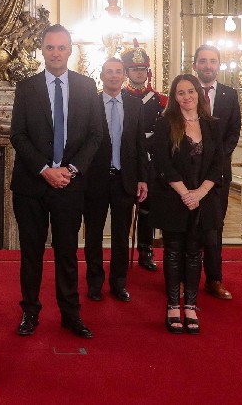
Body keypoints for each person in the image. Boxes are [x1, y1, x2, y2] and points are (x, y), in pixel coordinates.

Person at [10, 24, 103, 339]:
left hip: (70, 185)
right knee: (31, 253)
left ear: (70, 50)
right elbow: (18, 135)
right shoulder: (26, 87)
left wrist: (71, 170)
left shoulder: (87, 86)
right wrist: (44, 169)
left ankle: (71, 314)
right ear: (42, 50)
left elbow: (96, 134)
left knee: (66, 253)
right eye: (50, 47)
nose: (56, 53)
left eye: (61, 47)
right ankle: (30, 312)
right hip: (31, 185)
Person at [150, 74, 223, 335]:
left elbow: (218, 164)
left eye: (190, 91)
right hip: (174, 197)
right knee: (173, 252)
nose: (187, 96)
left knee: (195, 253)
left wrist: (200, 193)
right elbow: (162, 163)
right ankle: (173, 306)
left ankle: (190, 306)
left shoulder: (212, 124)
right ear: (174, 97)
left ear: (198, 94)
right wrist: (185, 194)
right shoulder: (164, 123)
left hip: (204, 199)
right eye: (180, 92)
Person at [83, 58, 148, 303]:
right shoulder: (90, 104)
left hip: (125, 180)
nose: (113, 76)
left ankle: (119, 283)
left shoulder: (135, 105)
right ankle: (94, 283)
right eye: (109, 71)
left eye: (118, 72)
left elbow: (140, 144)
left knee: (121, 236)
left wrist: (142, 178)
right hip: (95, 180)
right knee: (93, 234)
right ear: (102, 75)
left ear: (124, 76)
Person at [193, 44, 241, 301]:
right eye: (203, 60)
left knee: (213, 229)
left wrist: (215, 161)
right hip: (189, 174)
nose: (208, 65)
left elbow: (233, 132)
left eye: (212, 61)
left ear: (218, 65)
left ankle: (214, 279)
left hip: (218, 174)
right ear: (195, 65)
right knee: (187, 229)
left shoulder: (229, 95)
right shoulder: (185, 92)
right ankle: (183, 280)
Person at [121, 41, 168, 271]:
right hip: (124, 159)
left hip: (149, 160)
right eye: (134, 69)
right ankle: (120, 251)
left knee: (147, 208)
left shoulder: (160, 100)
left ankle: (146, 249)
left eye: (142, 69)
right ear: (127, 71)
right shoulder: (118, 96)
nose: (139, 73)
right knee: (123, 207)